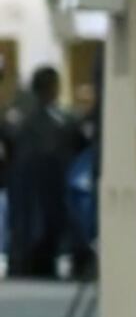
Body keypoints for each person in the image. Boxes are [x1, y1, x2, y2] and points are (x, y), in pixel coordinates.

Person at [4, 64, 82, 278]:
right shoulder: (63, 122)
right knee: (48, 235)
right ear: (53, 89)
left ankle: (21, 266)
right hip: (52, 192)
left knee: (25, 233)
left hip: (23, 195)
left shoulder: (15, 120)